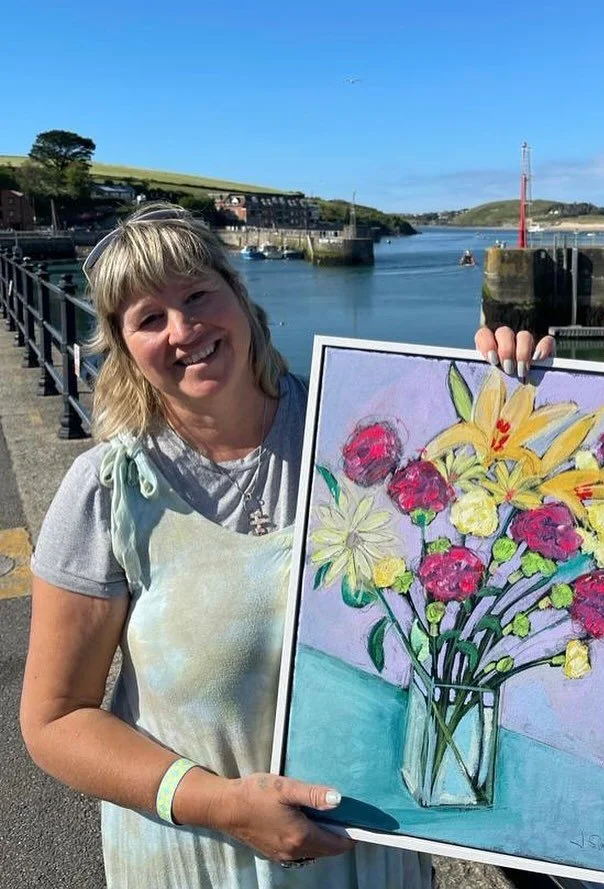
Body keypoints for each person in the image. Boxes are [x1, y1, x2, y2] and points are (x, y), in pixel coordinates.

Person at [19, 203, 555, 889]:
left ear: (239, 297)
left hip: (372, 861)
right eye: (149, 318)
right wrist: (220, 803)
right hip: (200, 860)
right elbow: (55, 719)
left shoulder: (370, 440)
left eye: (195, 294)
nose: (183, 330)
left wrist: (513, 393)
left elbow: (490, 543)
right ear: (123, 347)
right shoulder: (108, 489)